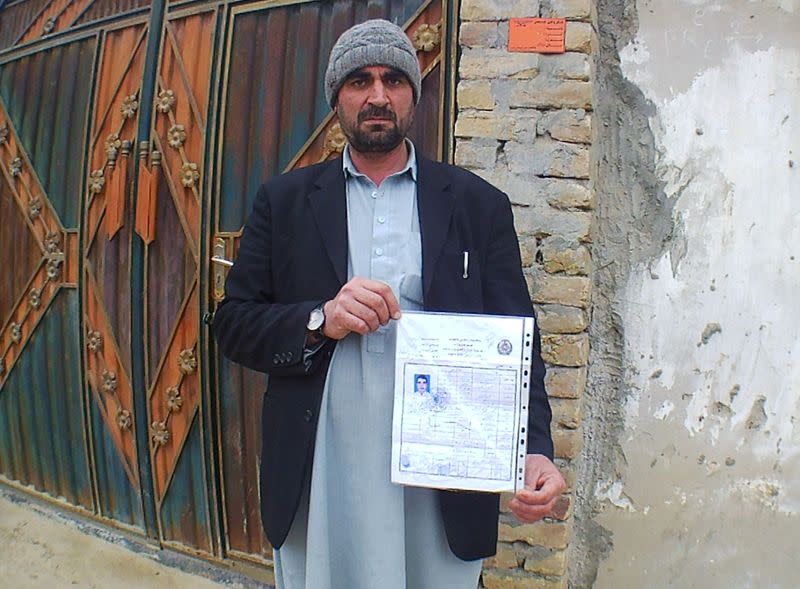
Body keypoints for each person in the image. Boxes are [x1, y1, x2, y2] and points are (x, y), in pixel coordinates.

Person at [213, 19, 566, 589]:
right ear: (337, 98)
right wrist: (318, 319)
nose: (378, 95)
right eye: (359, 80)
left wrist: (535, 449)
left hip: (440, 462)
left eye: (393, 80)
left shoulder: (478, 205)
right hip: (325, 455)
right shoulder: (284, 201)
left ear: (412, 95)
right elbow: (232, 323)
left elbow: (516, 335)